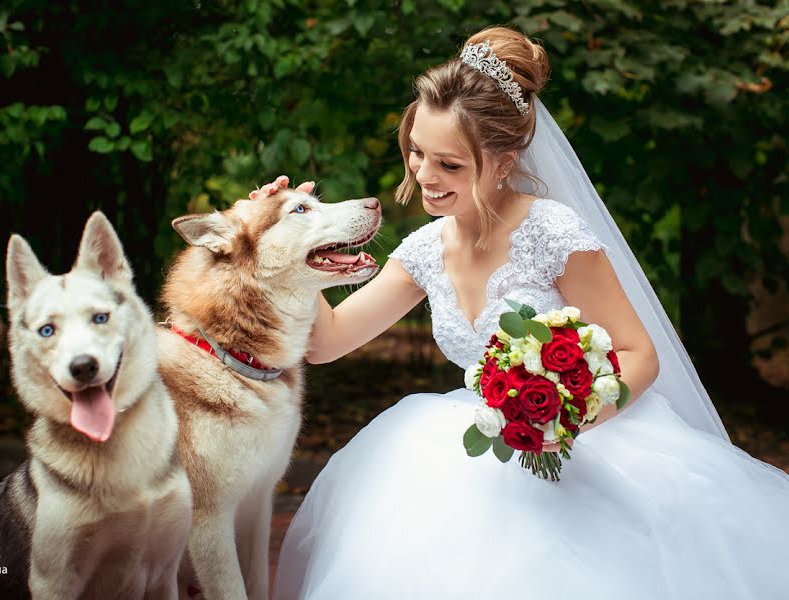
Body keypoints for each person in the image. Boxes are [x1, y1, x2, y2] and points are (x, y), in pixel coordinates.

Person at [254, 26, 789, 599]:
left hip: (582, 443)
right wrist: (290, 244)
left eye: (449, 165)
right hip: (470, 439)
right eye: (416, 151)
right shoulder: (424, 252)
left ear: (503, 162)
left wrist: (565, 419)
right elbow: (325, 342)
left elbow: (639, 354)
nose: (424, 176)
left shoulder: (552, 233)